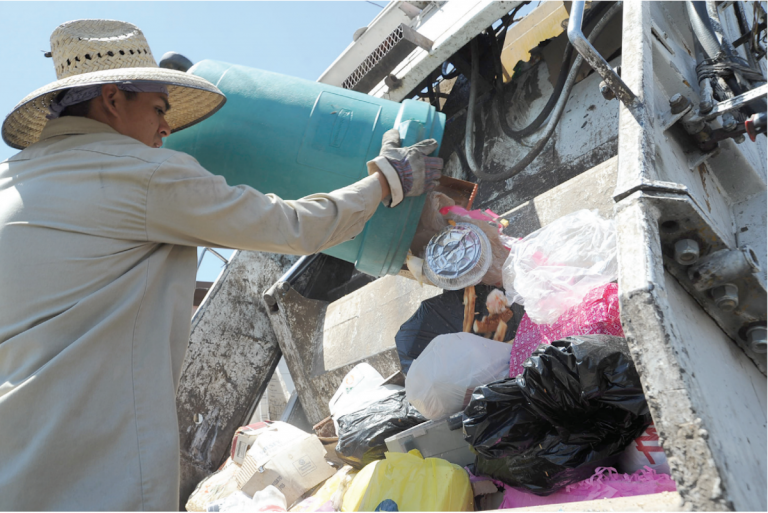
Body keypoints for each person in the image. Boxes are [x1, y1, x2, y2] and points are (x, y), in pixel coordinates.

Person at [0, 19, 442, 511]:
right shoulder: (139, 173)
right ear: (111, 99)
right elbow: (292, 227)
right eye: (159, 109)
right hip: (96, 472)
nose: (166, 128)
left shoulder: (12, 183)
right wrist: (387, 180)